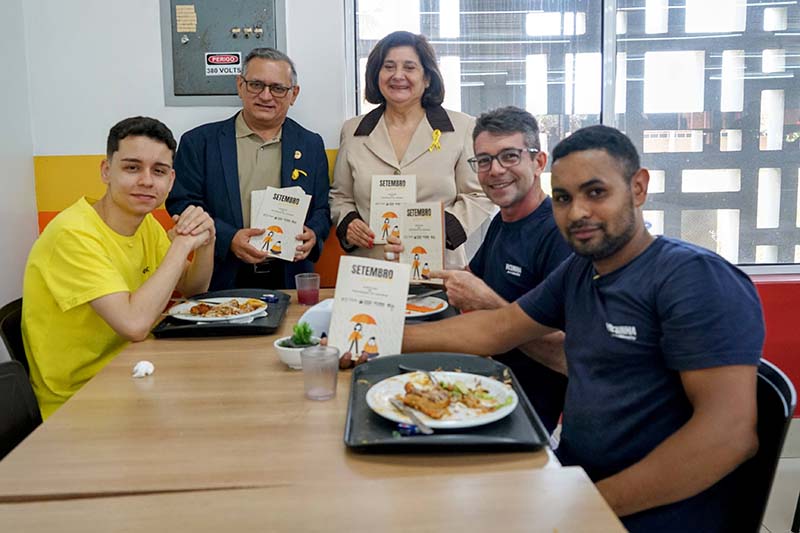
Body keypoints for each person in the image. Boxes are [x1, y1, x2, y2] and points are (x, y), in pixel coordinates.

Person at [402, 125, 764, 532]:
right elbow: (496, 329)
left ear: (638, 188)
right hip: (573, 479)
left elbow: (730, 435)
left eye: (596, 193)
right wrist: (379, 341)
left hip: (648, 514)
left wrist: (582, 508)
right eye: (563, 198)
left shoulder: (693, 278)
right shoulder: (580, 269)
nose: (577, 213)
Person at [22, 117, 215, 419]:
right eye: (132, 167)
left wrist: (205, 243)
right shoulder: (72, 234)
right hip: (80, 404)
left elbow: (193, 288)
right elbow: (134, 325)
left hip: (136, 374)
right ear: (105, 171)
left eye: (159, 171)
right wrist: (180, 246)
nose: (147, 181)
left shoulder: (145, 224)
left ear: (171, 180)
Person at [403, 106, 572, 433]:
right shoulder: (502, 222)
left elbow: (569, 355)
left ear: (538, 162)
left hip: (522, 409)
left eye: (509, 156)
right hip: (478, 379)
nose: (495, 170)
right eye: (483, 160)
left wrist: (489, 304)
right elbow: (465, 282)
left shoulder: (559, 235)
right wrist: (409, 259)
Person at [168, 47, 331, 290]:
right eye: (256, 84)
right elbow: (182, 204)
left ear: (293, 94)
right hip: (223, 275)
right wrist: (228, 238)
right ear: (240, 85)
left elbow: (321, 208)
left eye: (277, 88)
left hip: (290, 276)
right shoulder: (199, 142)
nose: (266, 96)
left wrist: (313, 234)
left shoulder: (311, 144)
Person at [330, 31, 494, 269]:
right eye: (388, 67)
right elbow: (341, 196)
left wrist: (442, 229)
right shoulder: (353, 130)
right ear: (377, 75)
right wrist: (348, 223)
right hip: (372, 268)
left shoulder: (462, 127)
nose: (398, 75)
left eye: (409, 67)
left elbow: (478, 194)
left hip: (438, 267)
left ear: (427, 77)